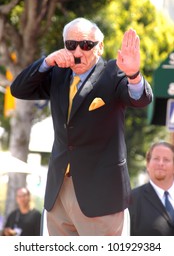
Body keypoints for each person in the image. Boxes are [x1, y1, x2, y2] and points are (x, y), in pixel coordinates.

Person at [10, 17, 153, 236]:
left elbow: (140, 99)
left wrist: (133, 75)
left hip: (101, 194)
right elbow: (19, 89)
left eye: (86, 45)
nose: (78, 50)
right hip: (58, 192)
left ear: (100, 47)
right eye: (71, 45)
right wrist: (47, 61)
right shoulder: (58, 73)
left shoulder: (114, 71)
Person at [129, 141, 174, 236]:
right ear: (148, 164)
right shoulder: (131, 199)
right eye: (156, 159)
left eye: (166, 159)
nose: (161, 163)